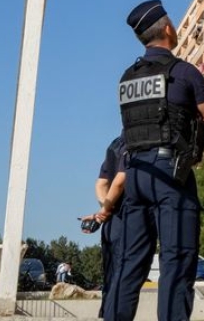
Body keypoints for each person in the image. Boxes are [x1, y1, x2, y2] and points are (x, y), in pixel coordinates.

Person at [105, 0, 204, 321]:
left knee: (129, 262)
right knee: (176, 259)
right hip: (171, 174)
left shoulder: (127, 77)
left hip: (134, 174)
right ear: (168, 29)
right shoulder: (184, 72)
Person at [83, 135, 128, 320]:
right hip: (130, 214)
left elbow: (101, 183)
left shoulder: (114, 145)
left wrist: (105, 209)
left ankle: (107, 314)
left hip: (111, 221)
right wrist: (106, 209)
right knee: (125, 272)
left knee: (110, 273)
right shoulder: (139, 143)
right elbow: (119, 181)